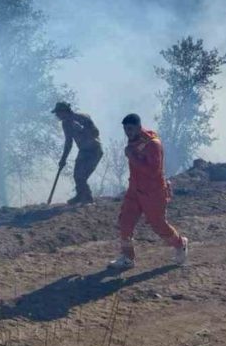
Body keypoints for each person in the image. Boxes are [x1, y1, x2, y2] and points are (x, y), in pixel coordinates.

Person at [111, 113, 188, 269]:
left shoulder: (153, 144)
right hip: (135, 190)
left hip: (153, 192)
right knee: (125, 222)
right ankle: (127, 258)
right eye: (125, 129)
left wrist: (132, 157)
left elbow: (153, 171)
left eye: (131, 129)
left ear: (139, 127)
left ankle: (180, 244)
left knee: (158, 225)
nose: (128, 132)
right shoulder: (134, 141)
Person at [52, 101, 103, 205]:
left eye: (58, 113)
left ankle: (87, 198)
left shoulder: (82, 117)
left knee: (81, 176)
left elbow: (96, 132)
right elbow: (68, 142)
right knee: (76, 175)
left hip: (94, 150)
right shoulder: (65, 123)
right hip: (83, 151)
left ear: (64, 111)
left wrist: (82, 129)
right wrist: (63, 159)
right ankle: (80, 195)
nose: (57, 115)